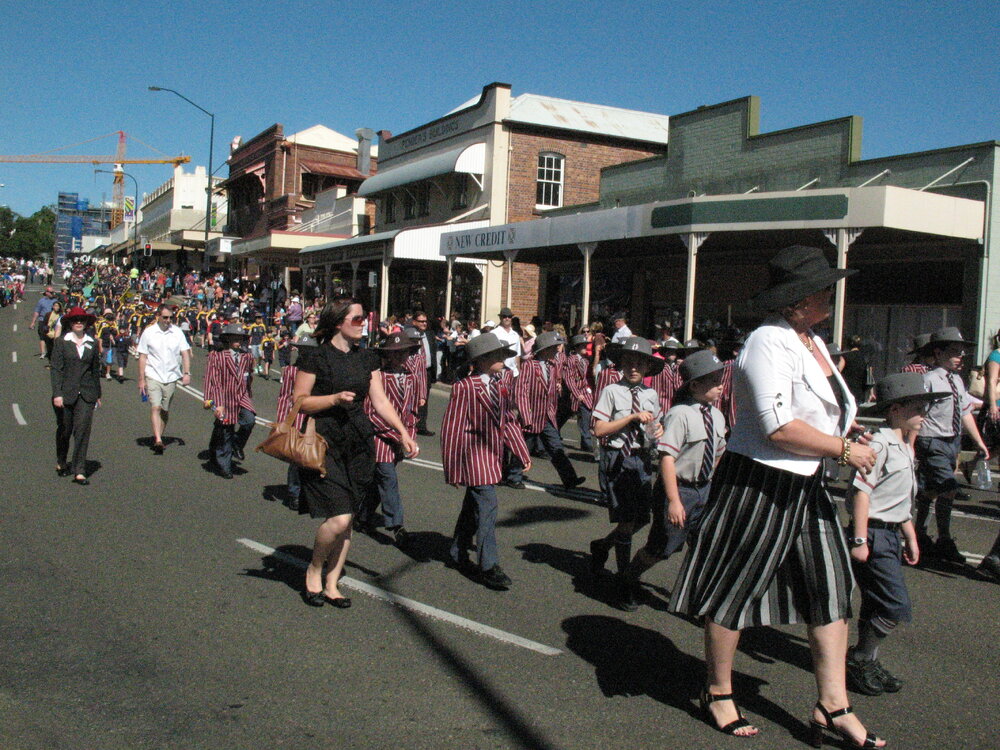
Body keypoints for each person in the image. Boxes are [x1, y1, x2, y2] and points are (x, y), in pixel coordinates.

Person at [668, 246, 884, 746]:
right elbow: (777, 427)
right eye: (822, 289)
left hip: (806, 482)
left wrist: (849, 434)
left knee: (830, 587)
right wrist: (844, 449)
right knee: (735, 587)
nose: (830, 295)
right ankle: (718, 692)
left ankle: (833, 704)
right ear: (795, 300)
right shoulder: (768, 341)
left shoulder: (812, 341)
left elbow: (826, 410)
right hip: (759, 480)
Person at [293, 299, 418, 608]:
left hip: (360, 442)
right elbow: (300, 401)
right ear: (338, 322)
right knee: (339, 517)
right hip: (325, 440)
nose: (364, 323)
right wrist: (333, 399)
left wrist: (403, 433)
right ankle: (315, 568)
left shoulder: (368, 358)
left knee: (347, 520)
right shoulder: (315, 357)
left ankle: (333, 582)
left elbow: (380, 401)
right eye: (358, 318)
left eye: (366, 318)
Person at [845, 372, 947, 697]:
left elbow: (901, 500)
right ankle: (859, 658)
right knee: (894, 605)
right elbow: (862, 493)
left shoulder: (904, 446)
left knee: (875, 603)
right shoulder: (879, 443)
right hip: (872, 534)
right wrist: (860, 540)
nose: (924, 413)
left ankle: (867, 662)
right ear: (897, 409)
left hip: (890, 533)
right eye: (918, 407)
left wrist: (911, 536)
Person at [620, 350, 726, 611]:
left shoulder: (718, 415)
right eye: (713, 381)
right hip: (680, 490)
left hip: (705, 489)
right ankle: (626, 579)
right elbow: (667, 459)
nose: (720, 385)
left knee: (703, 546)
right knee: (662, 547)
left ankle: (695, 598)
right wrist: (673, 501)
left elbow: (719, 453)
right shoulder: (680, 414)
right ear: (695, 385)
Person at [441, 332, 531, 590]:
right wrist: (453, 469)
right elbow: (452, 429)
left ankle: (457, 551)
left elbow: (507, 421)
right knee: (488, 507)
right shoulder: (465, 387)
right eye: (496, 355)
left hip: (493, 456)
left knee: (473, 506)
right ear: (480, 361)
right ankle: (488, 565)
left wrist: (521, 451)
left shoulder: (501, 383)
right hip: (473, 456)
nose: (502, 359)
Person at [588, 336, 664, 585]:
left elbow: (652, 427)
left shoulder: (651, 394)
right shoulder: (611, 391)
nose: (633, 368)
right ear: (621, 364)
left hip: (641, 459)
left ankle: (602, 545)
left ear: (647, 368)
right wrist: (630, 418)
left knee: (641, 518)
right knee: (626, 519)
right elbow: (599, 429)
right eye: (628, 362)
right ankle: (623, 578)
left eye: (639, 363)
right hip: (618, 458)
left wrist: (658, 430)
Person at [913, 327, 991, 561]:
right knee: (948, 488)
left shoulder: (957, 380)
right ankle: (945, 539)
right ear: (938, 353)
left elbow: (966, 413)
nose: (961, 357)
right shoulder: (928, 380)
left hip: (952, 441)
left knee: (931, 490)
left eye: (962, 352)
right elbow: (917, 415)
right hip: (932, 440)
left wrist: (979, 442)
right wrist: (909, 444)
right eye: (955, 352)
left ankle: (919, 533)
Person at [358, 332, 420, 543]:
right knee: (387, 478)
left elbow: (411, 410)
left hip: (400, 439)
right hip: (380, 437)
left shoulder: (411, 377)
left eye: (405, 353)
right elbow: (372, 412)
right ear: (387, 355)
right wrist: (397, 435)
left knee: (379, 482)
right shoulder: (378, 377)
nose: (401, 357)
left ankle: (363, 516)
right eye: (396, 353)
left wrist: (409, 434)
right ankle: (397, 525)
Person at [512, 331, 585, 490]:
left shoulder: (552, 366)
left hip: (547, 415)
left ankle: (569, 478)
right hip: (531, 414)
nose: (557, 350)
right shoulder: (529, 366)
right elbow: (521, 392)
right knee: (522, 446)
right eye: (553, 347)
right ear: (544, 349)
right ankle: (513, 476)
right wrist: (526, 414)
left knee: (556, 447)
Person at [50, 307, 102, 485]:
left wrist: (98, 394)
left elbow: (95, 370)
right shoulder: (61, 342)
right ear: (70, 323)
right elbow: (56, 369)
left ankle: (79, 470)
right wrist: (57, 393)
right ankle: (62, 461)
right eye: (75, 320)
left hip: (87, 393)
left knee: (82, 430)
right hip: (66, 393)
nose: (78, 322)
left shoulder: (92, 342)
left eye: (82, 320)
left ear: (87, 323)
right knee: (65, 429)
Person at [137, 304, 192, 455]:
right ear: (158, 316)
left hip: (171, 375)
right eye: (165, 317)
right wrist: (141, 379)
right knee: (155, 406)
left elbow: (185, 353)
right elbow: (142, 356)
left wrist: (186, 373)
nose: (168, 320)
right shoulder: (149, 332)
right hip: (153, 374)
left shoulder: (177, 332)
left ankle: (159, 435)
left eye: (171, 318)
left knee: (165, 409)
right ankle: (158, 440)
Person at [203, 324, 256, 479]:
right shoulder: (218, 356)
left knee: (249, 420)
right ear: (227, 339)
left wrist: (248, 392)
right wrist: (216, 402)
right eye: (235, 338)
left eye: (241, 338)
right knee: (225, 430)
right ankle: (224, 465)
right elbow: (214, 380)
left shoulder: (246, 356)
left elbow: (249, 375)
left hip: (241, 395)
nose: (239, 341)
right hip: (224, 397)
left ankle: (237, 444)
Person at [561, 334, 595, 452]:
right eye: (582, 345)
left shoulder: (585, 361)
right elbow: (569, 378)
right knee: (561, 417)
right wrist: (576, 394)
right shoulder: (571, 360)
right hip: (572, 394)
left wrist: (588, 391)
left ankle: (586, 442)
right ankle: (550, 437)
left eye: (586, 345)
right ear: (576, 347)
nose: (585, 347)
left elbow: (586, 378)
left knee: (586, 415)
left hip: (584, 392)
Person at [977, 328, 1000, 463]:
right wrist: (992, 406)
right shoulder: (996, 356)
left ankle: (972, 464)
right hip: (997, 406)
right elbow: (991, 381)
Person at [411, 312, 436, 435]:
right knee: (412, 397)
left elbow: (433, 353)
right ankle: (409, 424)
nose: (424, 323)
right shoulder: (409, 335)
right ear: (414, 322)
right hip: (413, 372)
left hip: (427, 371)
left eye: (425, 321)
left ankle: (421, 426)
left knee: (424, 399)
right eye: (421, 321)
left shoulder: (429, 335)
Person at [493, 307, 523, 376]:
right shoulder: (494, 333)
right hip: (499, 373)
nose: (507, 318)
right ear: (500, 318)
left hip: (514, 373)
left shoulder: (515, 335)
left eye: (509, 316)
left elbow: (517, 356)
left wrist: (518, 372)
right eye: (504, 316)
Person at [30, 286, 57, 359]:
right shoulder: (41, 301)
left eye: (53, 292)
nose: (52, 294)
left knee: (52, 337)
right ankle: (43, 352)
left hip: (52, 321)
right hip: (43, 321)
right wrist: (33, 322)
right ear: (47, 292)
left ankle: (51, 351)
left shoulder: (56, 301)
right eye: (51, 292)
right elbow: (37, 312)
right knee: (42, 337)